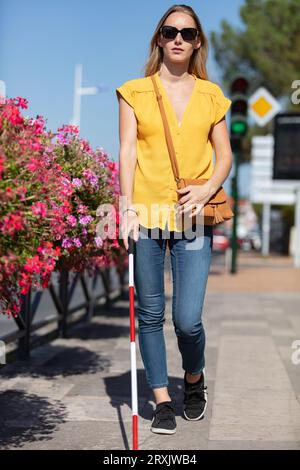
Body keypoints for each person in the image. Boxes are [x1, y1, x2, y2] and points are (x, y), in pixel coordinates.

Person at [116, 4, 232, 435]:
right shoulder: (133, 91)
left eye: (187, 32)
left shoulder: (211, 95)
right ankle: (162, 398)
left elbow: (226, 155)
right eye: (170, 31)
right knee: (149, 314)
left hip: (193, 218)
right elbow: (128, 150)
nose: (178, 38)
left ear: (198, 41)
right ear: (159, 39)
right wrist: (125, 204)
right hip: (145, 213)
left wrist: (206, 188)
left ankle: (194, 378)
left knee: (187, 319)